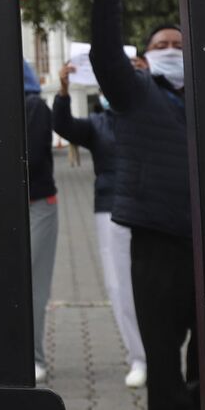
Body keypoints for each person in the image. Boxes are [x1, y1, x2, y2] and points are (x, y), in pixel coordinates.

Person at [88, 0, 198, 410]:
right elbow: (105, 56)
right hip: (155, 233)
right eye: (162, 46)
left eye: (179, 44)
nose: (172, 51)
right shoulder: (135, 93)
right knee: (160, 336)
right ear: (147, 58)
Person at [55, 63, 146, 388]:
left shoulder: (152, 115)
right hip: (111, 209)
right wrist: (63, 91)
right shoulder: (97, 124)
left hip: (156, 208)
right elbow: (63, 125)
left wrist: (145, 73)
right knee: (120, 286)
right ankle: (139, 357)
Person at [22, 61, 58, 380]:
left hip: (37, 203)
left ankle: (34, 357)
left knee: (33, 283)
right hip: (10, 205)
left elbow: (31, 156)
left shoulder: (33, 106)